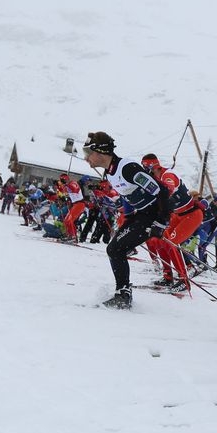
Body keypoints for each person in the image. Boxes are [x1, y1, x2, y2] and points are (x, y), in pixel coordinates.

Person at [82, 132, 170, 309]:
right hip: (141, 214)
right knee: (115, 249)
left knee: (115, 249)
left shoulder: (127, 168)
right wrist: (128, 218)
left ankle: (123, 294)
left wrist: (161, 222)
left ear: (100, 152)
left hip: (152, 215)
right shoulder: (110, 172)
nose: (86, 158)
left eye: (87, 153)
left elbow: (162, 191)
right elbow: (126, 195)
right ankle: (123, 292)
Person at [141, 154, 203, 291]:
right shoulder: (157, 178)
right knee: (159, 240)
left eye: (146, 169)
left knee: (171, 243)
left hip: (191, 214)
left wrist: (162, 196)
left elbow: (169, 187)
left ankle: (184, 279)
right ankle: (168, 276)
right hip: (177, 215)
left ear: (152, 167)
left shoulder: (167, 175)